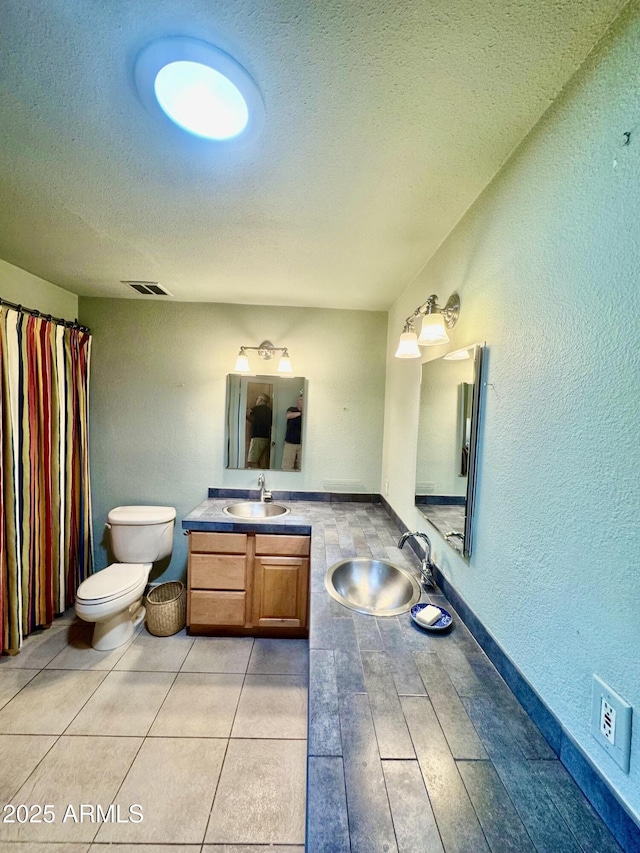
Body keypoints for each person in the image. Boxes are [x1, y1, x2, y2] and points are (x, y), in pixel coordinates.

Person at [246, 394, 272, 469]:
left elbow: (248, 413)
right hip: (266, 438)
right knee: (262, 462)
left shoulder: (257, 409)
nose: (256, 400)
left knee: (252, 461)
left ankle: (256, 475)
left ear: (261, 400)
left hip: (257, 438)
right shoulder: (269, 411)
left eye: (257, 398)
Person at [282, 393, 303, 471]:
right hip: (290, 443)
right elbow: (288, 416)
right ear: (298, 401)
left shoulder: (308, 413)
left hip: (302, 444)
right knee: (287, 467)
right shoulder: (292, 409)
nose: (302, 402)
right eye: (301, 400)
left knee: (301, 468)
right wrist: (301, 413)